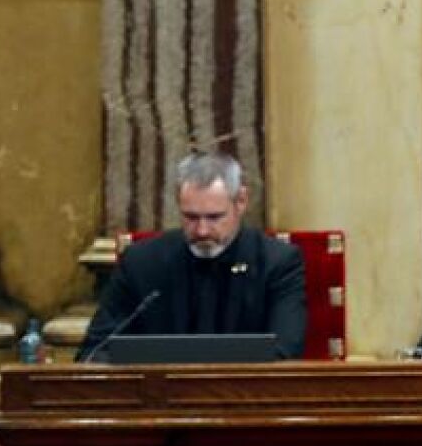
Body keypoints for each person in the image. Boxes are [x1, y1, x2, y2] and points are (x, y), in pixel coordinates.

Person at [80, 151, 306, 360]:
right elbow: (96, 352)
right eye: (191, 217)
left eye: (214, 217)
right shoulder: (141, 262)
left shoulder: (277, 263)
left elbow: (284, 355)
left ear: (241, 202)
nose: (202, 231)